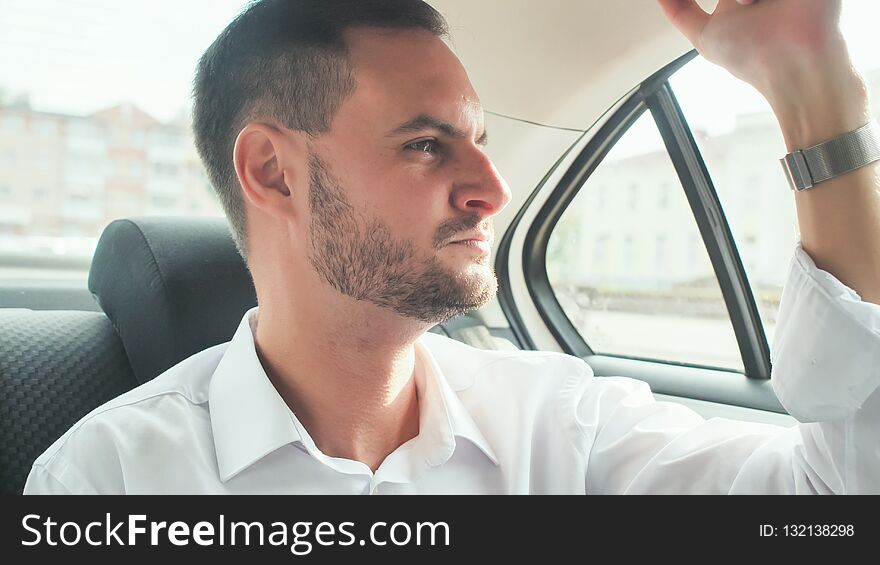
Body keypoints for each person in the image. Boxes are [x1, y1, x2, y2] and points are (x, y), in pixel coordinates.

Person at [25, 0, 880, 494]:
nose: (493, 189)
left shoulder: (561, 430)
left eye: (477, 140)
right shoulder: (111, 479)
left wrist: (818, 103)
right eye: (427, 144)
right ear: (274, 173)